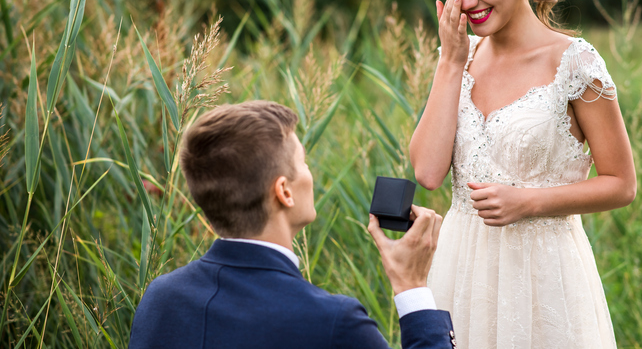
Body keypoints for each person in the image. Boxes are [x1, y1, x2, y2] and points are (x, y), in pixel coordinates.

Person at [409, 0, 637, 348]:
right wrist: (450, 63)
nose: (465, 1)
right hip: (461, 268)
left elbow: (621, 184)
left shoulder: (576, 64)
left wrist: (528, 203)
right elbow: (428, 173)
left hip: (544, 275)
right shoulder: (459, 58)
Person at [129, 100, 456, 349]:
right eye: (303, 162)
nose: (310, 175)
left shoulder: (160, 299)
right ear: (284, 191)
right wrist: (411, 287)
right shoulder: (333, 322)